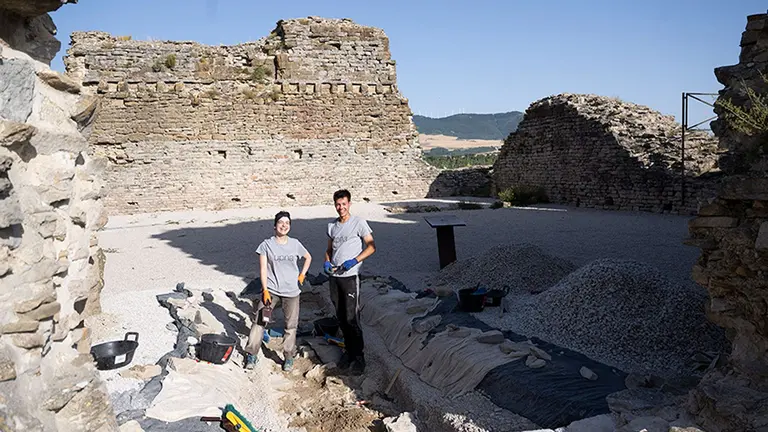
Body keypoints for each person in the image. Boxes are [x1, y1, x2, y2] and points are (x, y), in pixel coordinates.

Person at [244, 211, 311, 372]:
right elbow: (263, 269)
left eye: (287, 223)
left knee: (291, 326)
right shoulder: (266, 245)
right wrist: (265, 290)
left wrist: (302, 274)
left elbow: (308, 257)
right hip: (272, 290)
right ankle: (251, 354)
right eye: (281, 222)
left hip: (292, 291)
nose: (284, 225)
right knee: (259, 322)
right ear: (275, 225)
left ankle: (288, 357)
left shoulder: (295, 243)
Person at [324, 189, 376, 375]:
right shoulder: (332, 226)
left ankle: (359, 355)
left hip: (350, 276)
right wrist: (327, 261)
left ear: (349, 204)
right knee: (340, 316)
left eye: (344, 204)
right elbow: (329, 249)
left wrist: (355, 260)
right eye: (338, 204)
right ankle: (348, 350)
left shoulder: (359, 223)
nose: (341, 208)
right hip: (335, 277)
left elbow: (371, 246)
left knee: (352, 317)